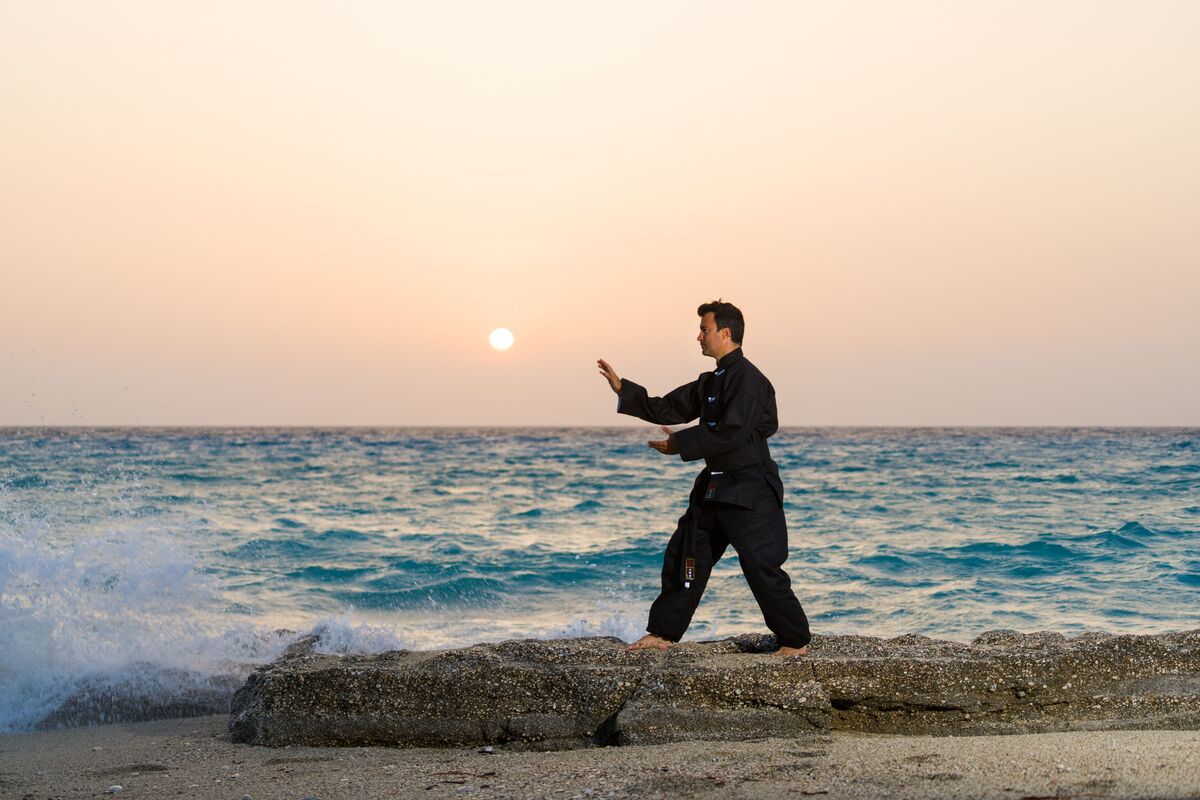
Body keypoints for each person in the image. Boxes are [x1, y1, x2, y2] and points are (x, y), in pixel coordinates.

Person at [596, 300, 811, 656]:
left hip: (749, 489)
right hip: (714, 487)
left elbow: (733, 431)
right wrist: (624, 390)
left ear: (726, 333)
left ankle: (794, 641)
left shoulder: (750, 381)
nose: (698, 337)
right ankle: (664, 633)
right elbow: (669, 407)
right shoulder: (712, 381)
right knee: (686, 557)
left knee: (761, 567)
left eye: (704, 330)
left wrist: (680, 443)